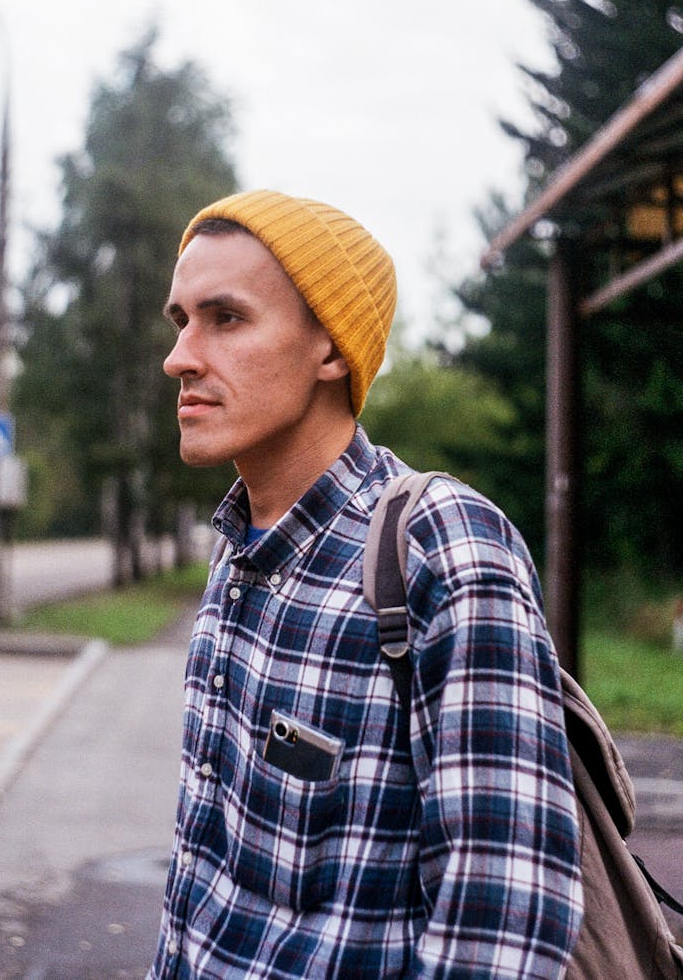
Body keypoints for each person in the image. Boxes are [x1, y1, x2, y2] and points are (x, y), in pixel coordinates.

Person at [148, 189, 584, 980]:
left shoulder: (438, 546)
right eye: (182, 321)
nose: (180, 356)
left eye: (228, 318)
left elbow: (505, 926)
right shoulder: (238, 549)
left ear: (333, 349)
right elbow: (202, 892)